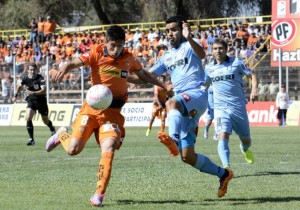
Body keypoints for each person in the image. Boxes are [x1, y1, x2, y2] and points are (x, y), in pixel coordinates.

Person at [45, 25, 168, 207]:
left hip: (113, 114)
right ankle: (62, 134)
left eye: (119, 45)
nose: (116, 49)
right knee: (73, 150)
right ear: (106, 42)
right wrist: (65, 67)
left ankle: (98, 194)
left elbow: (143, 75)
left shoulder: (129, 58)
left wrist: (163, 85)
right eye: (112, 45)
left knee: (109, 147)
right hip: (90, 111)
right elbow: (74, 62)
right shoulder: (96, 52)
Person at [148, 16, 233, 198]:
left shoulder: (189, 46)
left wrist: (188, 37)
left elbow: (202, 54)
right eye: (168, 30)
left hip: (196, 94)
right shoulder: (166, 57)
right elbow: (146, 75)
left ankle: (173, 139)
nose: (170, 33)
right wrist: (122, 75)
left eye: (174, 29)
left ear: (182, 29)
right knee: (187, 156)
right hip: (186, 106)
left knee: (171, 103)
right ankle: (223, 174)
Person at [205, 38, 258, 169]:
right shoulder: (209, 68)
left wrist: (254, 90)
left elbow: (253, 75)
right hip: (220, 109)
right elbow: (205, 85)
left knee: (246, 139)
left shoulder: (236, 63)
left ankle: (244, 148)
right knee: (222, 134)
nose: (218, 51)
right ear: (212, 51)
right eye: (215, 49)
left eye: (220, 48)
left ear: (226, 49)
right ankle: (226, 167)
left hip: (238, 107)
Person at [12, 63, 56, 146]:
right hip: (31, 101)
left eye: (33, 70)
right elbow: (19, 86)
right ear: (28, 70)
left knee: (45, 121)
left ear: (36, 70)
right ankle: (31, 139)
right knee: (28, 117)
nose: (32, 71)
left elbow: (44, 90)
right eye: (30, 70)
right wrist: (15, 96)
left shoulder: (40, 78)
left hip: (41, 101)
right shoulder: (25, 78)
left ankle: (52, 128)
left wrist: (33, 92)